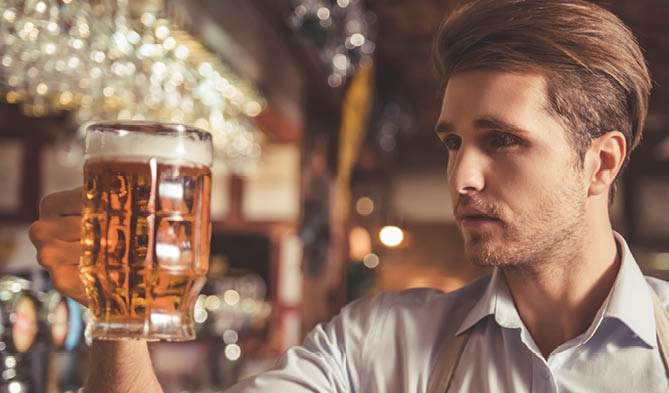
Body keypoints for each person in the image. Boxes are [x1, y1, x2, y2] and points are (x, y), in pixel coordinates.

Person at [29, 0, 668, 391]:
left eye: (501, 140)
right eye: (452, 143)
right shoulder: (375, 342)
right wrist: (115, 315)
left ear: (601, 162)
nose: (462, 177)